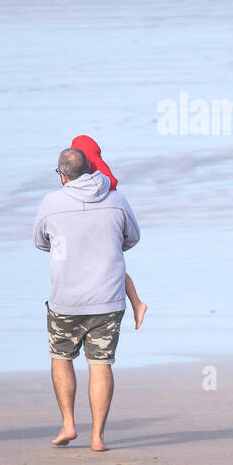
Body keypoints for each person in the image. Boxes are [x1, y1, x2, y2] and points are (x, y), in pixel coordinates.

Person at [33, 147, 140, 451]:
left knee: (61, 358)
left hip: (66, 299)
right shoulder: (116, 199)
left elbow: (40, 241)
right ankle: (97, 436)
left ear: (62, 174)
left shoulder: (51, 202)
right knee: (100, 364)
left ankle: (68, 423)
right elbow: (132, 238)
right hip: (107, 299)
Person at [70, 134, 147, 328]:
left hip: (95, 229)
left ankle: (137, 304)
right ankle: (137, 303)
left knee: (105, 268)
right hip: (109, 232)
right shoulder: (102, 170)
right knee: (117, 269)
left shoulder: (86, 170)